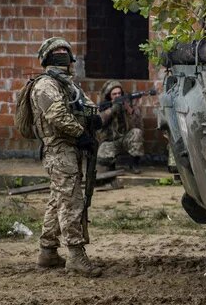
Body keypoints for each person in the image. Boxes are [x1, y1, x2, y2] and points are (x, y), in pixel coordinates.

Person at [31, 37, 109, 277]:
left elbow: (84, 105)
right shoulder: (45, 85)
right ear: (47, 59)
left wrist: (94, 117)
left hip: (71, 148)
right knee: (71, 202)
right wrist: (81, 134)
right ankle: (75, 255)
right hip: (58, 150)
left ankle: (48, 251)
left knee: (58, 200)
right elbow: (57, 116)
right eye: (58, 53)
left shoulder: (68, 85)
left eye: (65, 52)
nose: (63, 56)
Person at [97, 80, 145, 174]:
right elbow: (100, 122)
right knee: (103, 165)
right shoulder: (104, 107)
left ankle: (134, 164)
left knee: (136, 132)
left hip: (126, 139)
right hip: (110, 141)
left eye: (119, 93)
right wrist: (112, 110)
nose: (117, 96)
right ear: (109, 96)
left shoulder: (128, 105)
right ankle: (111, 164)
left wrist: (128, 109)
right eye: (114, 94)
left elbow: (139, 125)